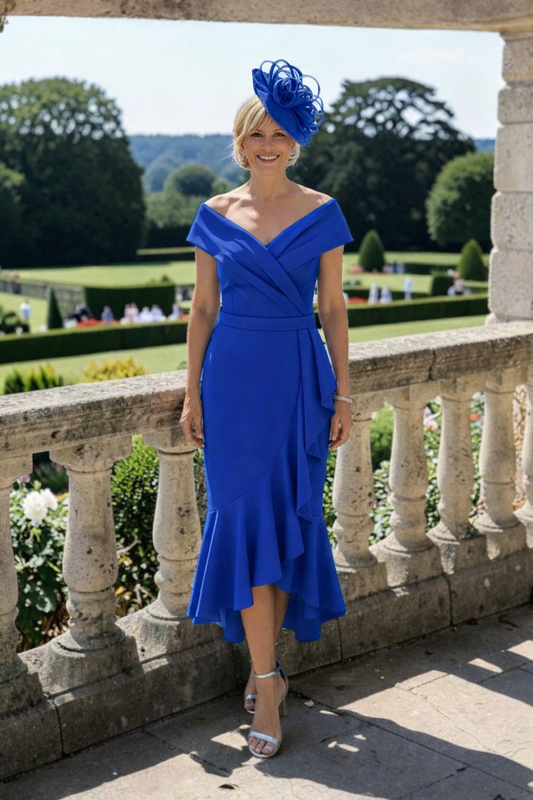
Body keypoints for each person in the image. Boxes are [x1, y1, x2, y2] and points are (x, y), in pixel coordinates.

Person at [180, 60, 353, 761]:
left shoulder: (324, 212)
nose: (268, 144)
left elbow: (335, 309)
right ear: (240, 140)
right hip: (231, 387)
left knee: (283, 525)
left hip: (296, 384)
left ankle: (267, 678)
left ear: (295, 141)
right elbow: (202, 308)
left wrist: (343, 392)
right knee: (245, 523)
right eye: (257, 133)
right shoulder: (214, 216)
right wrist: (192, 391)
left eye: (280, 133)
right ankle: (267, 678)